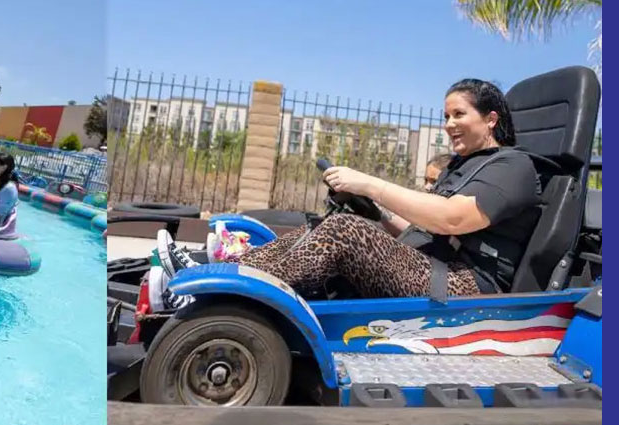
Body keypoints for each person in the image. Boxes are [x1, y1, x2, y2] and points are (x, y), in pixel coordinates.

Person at [157, 78, 541, 306]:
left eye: (459, 115)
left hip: (463, 286)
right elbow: (421, 225)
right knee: (336, 222)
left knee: (344, 234)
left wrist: (369, 182)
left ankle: (217, 292)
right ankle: (214, 271)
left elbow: (451, 219)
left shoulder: (513, 167)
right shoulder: (462, 166)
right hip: (428, 264)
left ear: (490, 119)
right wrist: (374, 211)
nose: (449, 124)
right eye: (446, 116)